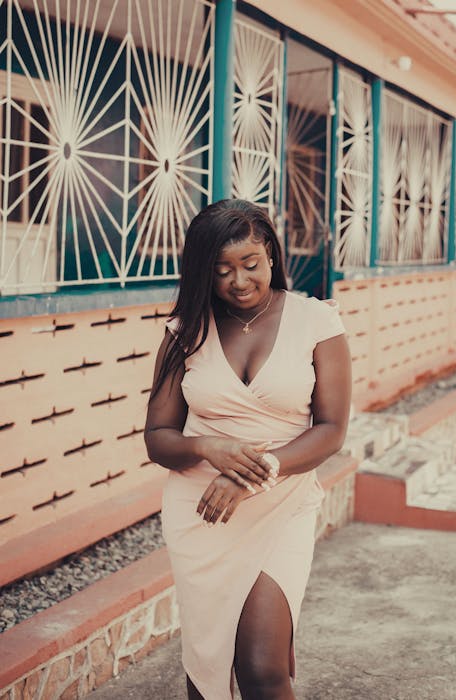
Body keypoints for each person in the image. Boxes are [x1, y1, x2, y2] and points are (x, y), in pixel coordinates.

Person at [144, 199, 351, 700]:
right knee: (208, 666)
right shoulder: (185, 333)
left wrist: (256, 472)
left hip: (280, 500)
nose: (238, 281)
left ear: (271, 256)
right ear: (202, 273)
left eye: (250, 264)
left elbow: (330, 429)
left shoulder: (317, 321)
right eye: (221, 271)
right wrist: (206, 446)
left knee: (262, 668)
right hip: (202, 513)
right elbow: (158, 438)